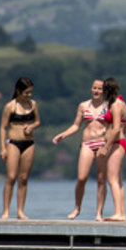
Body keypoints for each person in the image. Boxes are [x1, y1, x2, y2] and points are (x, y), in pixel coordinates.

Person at [52, 79, 110, 221]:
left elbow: (116, 123)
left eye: (100, 89)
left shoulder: (109, 105)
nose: (96, 91)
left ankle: (99, 213)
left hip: (103, 143)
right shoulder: (83, 105)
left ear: (104, 91)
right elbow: (76, 125)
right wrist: (63, 134)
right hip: (87, 143)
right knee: (81, 178)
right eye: (94, 88)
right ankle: (77, 208)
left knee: (101, 179)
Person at [0, 77, 40, 220]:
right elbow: (3, 127)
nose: (29, 95)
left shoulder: (32, 104)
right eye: (26, 93)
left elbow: (38, 121)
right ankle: (5, 211)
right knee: (11, 177)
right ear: (19, 91)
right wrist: (3, 148)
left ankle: (20, 211)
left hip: (29, 143)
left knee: (23, 178)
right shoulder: (10, 106)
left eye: (30, 92)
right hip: (13, 142)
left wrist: (32, 126)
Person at [100, 77, 126, 221]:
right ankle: (121, 212)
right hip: (121, 143)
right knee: (119, 181)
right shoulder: (122, 103)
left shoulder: (115, 105)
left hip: (117, 143)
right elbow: (121, 122)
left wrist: (106, 146)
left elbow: (115, 129)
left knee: (112, 179)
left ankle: (118, 213)